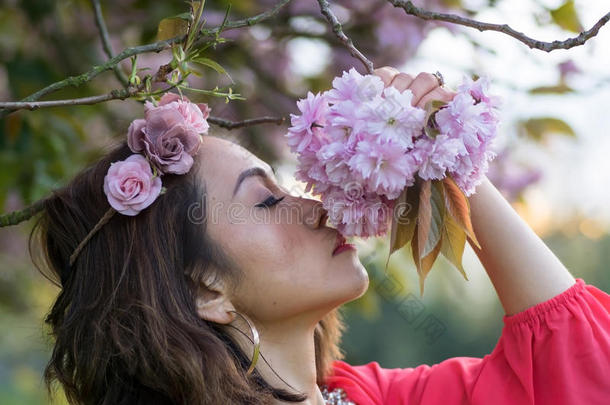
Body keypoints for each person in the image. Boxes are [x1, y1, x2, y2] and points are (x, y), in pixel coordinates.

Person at [29, 67, 610, 405]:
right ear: (207, 290)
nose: (314, 209)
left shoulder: (372, 397)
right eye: (266, 200)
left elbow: (580, 372)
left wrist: (445, 153)